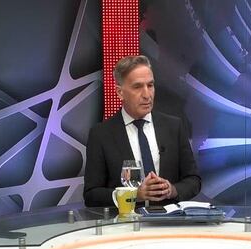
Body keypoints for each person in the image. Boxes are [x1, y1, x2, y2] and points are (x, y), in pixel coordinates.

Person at [83, 55, 201, 207]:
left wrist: (172, 190)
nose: (147, 95)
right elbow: (91, 195)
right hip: (125, 220)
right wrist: (134, 195)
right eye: (137, 87)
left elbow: (193, 180)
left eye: (150, 85)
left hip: (169, 219)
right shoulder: (101, 134)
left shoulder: (174, 126)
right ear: (120, 92)